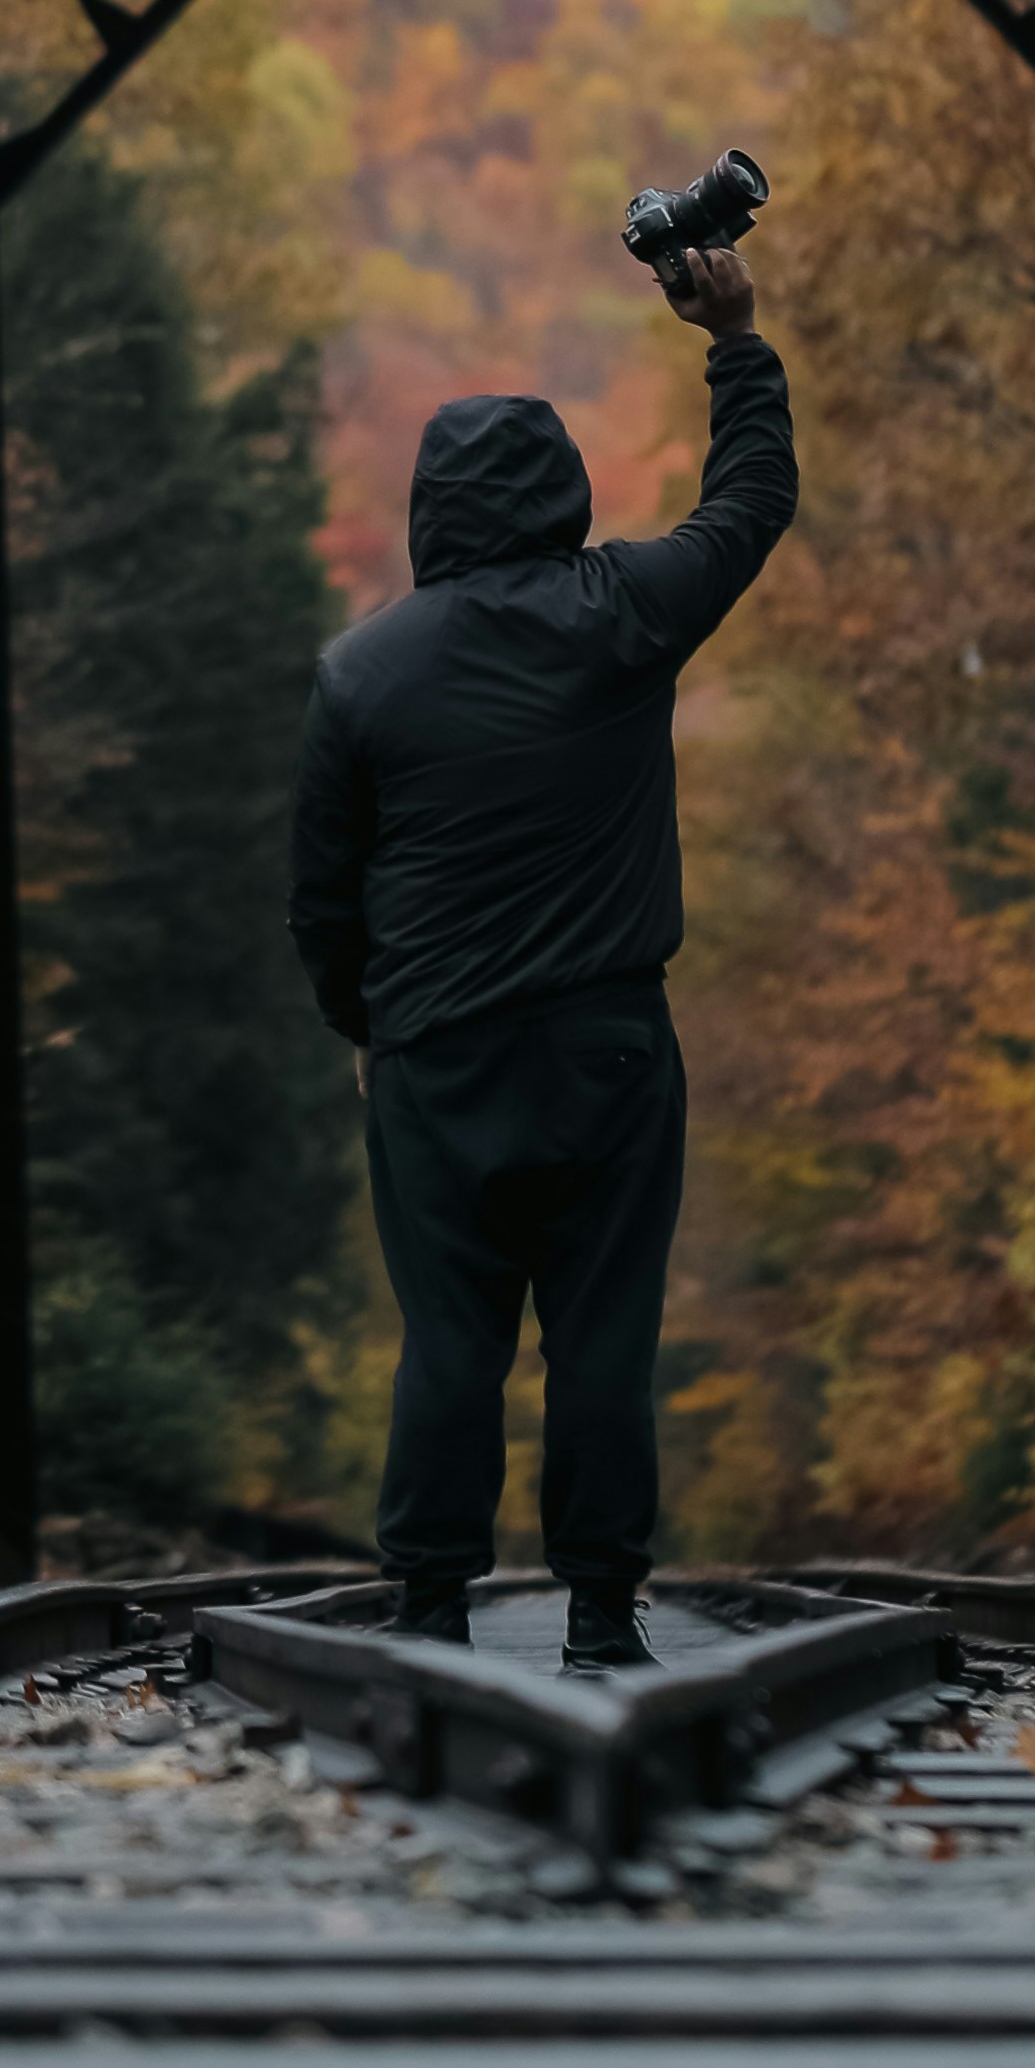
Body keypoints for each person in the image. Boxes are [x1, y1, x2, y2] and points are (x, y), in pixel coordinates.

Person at [288, 242, 797, 1670]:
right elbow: (752, 502)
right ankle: (598, 1611)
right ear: (563, 494)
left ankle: (431, 1605)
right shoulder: (623, 613)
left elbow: (319, 899)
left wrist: (367, 1026)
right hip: (608, 1050)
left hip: (434, 1053)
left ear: (427, 511)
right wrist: (735, 337)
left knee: (449, 1338)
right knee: (602, 1342)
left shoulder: (359, 674)